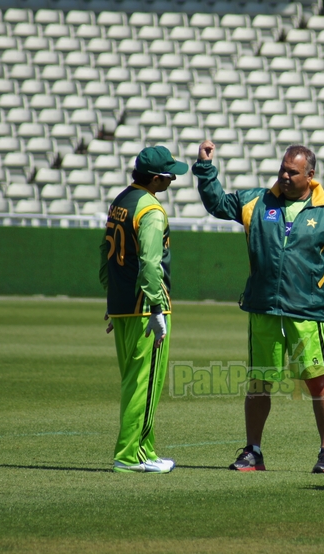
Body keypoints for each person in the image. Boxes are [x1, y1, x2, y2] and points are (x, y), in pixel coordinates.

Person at [192, 141, 324, 474]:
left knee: (318, 383)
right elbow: (217, 204)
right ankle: (253, 451)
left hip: (306, 312)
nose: (283, 175)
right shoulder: (256, 201)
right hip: (264, 309)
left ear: (310, 175)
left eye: (291, 172)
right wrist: (206, 169)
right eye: (282, 169)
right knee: (259, 383)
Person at [100, 145, 188, 473]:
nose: (172, 180)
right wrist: (155, 308)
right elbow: (151, 264)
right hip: (145, 308)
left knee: (134, 381)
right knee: (145, 383)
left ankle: (144, 450)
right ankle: (129, 456)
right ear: (155, 178)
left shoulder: (121, 202)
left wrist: (112, 301)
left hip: (123, 306)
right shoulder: (150, 209)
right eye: (169, 176)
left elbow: (106, 254)